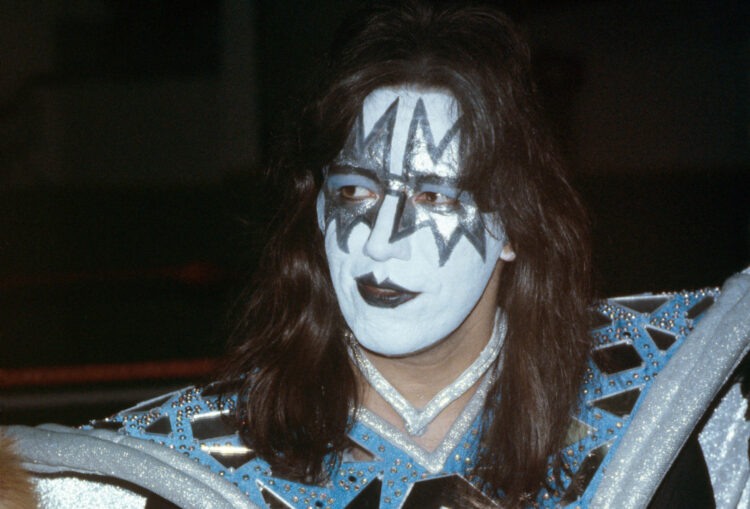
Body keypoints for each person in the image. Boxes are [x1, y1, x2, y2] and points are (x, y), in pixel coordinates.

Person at [3, 2, 749, 508]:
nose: (380, 237)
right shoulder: (195, 461)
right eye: (356, 192)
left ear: (515, 225)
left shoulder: (664, 394)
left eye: (434, 196)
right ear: (317, 207)